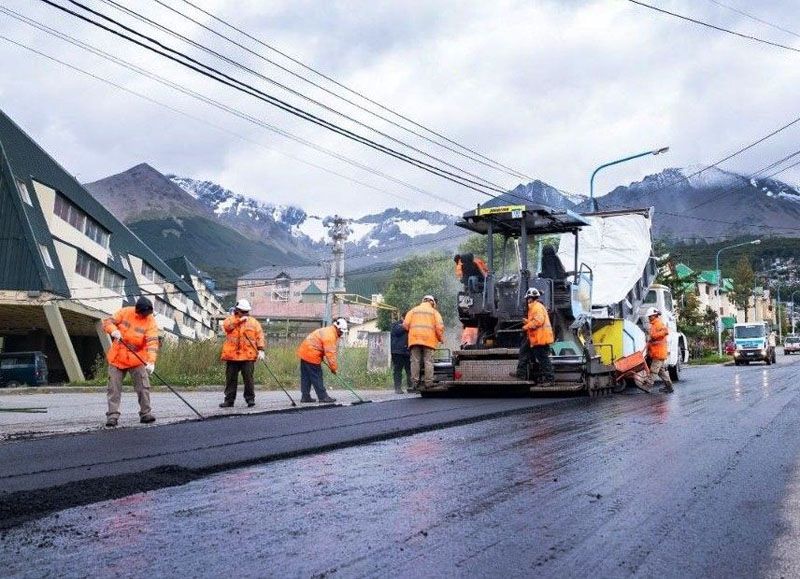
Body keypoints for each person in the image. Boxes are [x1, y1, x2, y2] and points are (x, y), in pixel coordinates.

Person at [102, 296, 159, 427]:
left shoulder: (150, 321)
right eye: (144, 313)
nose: (146, 316)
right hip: (118, 357)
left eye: (148, 314)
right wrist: (113, 330)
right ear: (138, 310)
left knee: (143, 387)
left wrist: (151, 361)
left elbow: (152, 341)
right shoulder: (125, 312)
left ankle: (145, 414)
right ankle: (112, 416)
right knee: (113, 388)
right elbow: (107, 322)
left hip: (137, 358)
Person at [219, 299, 265, 408]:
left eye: (247, 312)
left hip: (248, 356)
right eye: (243, 312)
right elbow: (226, 327)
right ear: (237, 310)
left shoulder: (254, 322)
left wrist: (261, 349)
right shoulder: (230, 320)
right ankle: (229, 401)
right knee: (231, 380)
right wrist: (238, 321)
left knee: (248, 379)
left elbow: (260, 336)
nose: (245, 314)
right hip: (232, 356)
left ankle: (250, 399)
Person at [296, 318, 347, 403]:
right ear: (337, 328)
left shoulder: (328, 330)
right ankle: (323, 397)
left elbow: (320, 344)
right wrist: (334, 368)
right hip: (311, 355)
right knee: (317, 377)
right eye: (341, 331)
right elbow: (330, 355)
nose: (341, 334)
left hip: (304, 353)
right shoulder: (330, 336)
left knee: (306, 377)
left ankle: (305, 397)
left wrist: (320, 355)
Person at [403, 295, 445, 390]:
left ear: (423, 301)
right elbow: (439, 328)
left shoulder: (413, 310)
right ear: (433, 302)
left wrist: (414, 331)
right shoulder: (435, 312)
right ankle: (428, 383)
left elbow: (405, 325)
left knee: (415, 361)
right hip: (429, 341)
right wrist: (440, 338)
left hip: (414, 340)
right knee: (428, 361)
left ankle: (414, 383)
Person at [514, 288, 554, 383]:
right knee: (523, 352)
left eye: (528, 298)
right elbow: (536, 320)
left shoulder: (536, 307)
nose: (527, 300)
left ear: (531, 298)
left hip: (540, 339)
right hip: (535, 338)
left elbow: (538, 322)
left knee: (543, 360)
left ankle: (550, 380)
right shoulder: (535, 307)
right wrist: (527, 321)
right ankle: (521, 374)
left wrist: (526, 327)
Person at [645, 307, 674, 393]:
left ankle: (648, 385)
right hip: (658, 352)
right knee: (661, 372)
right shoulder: (654, 324)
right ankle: (669, 387)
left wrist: (653, 336)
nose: (649, 318)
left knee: (654, 370)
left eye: (650, 316)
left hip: (659, 352)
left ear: (654, 315)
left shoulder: (658, 323)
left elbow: (665, 331)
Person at [390, 314, 411, 394]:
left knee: (409, 370)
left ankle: (410, 387)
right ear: (403, 317)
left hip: (407, 351)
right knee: (398, 370)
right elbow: (397, 331)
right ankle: (398, 388)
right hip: (397, 351)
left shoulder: (410, 326)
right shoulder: (396, 325)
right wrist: (405, 325)